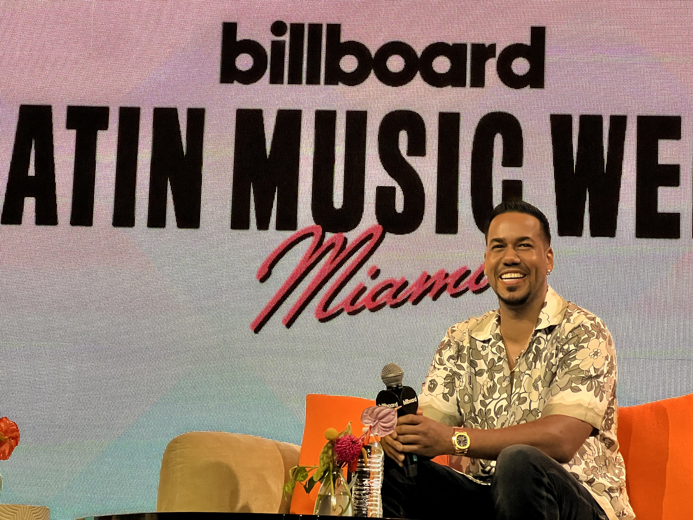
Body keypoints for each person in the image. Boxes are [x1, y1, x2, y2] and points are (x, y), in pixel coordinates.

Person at [381, 200, 635, 520]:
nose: (510, 257)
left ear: (548, 258)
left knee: (518, 462)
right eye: (498, 246)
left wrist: (455, 439)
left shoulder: (582, 331)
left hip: (577, 502)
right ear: (486, 261)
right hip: (489, 498)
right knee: (395, 469)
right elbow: (433, 425)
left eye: (524, 245)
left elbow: (562, 439)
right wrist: (403, 436)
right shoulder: (461, 339)